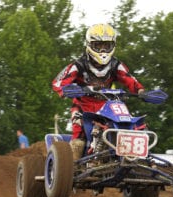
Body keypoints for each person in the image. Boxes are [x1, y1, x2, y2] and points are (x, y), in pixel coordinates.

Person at [52, 23, 145, 160]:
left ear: (112, 45)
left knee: (132, 125)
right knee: (79, 138)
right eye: (98, 45)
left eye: (106, 46)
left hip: (109, 106)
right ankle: (71, 169)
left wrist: (142, 91)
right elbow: (58, 82)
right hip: (83, 106)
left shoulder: (116, 64)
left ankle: (139, 158)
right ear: (89, 44)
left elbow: (130, 79)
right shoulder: (78, 65)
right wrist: (68, 90)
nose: (102, 50)